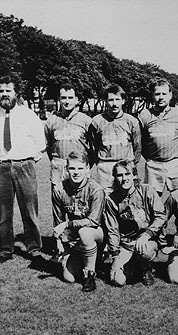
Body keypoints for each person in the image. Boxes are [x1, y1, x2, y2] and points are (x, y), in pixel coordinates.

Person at [0, 74, 45, 262]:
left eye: (8, 91)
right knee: (3, 212)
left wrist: (28, 161)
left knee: (29, 209)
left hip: (24, 166)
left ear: (16, 93)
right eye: (1, 91)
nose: (4, 94)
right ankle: (5, 249)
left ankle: (33, 247)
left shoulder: (27, 114)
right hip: (1, 168)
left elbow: (40, 142)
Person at [103, 160, 166, 286]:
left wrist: (147, 235)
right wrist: (115, 256)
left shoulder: (147, 191)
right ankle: (132, 264)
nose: (124, 178)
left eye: (127, 174)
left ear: (134, 175)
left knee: (145, 251)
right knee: (118, 281)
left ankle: (145, 267)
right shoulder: (111, 200)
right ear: (115, 178)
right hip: (125, 244)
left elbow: (161, 216)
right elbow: (112, 229)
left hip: (145, 241)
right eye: (120, 175)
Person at [52, 151, 105, 292]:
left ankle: (90, 275)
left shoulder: (96, 190)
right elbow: (58, 221)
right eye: (72, 168)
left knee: (85, 232)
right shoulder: (59, 189)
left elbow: (94, 221)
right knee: (68, 277)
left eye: (80, 168)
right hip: (74, 236)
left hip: (96, 234)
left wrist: (68, 224)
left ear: (87, 169)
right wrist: (62, 245)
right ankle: (82, 258)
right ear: (66, 169)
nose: (76, 172)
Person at [138, 78, 178, 197]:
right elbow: (140, 143)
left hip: (175, 163)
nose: (161, 97)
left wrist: (174, 156)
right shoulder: (145, 115)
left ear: (170, 95)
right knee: (152, 198)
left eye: (164, 94)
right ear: (152, 96)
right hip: (153, 164)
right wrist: (151, 158)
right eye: (157, 94)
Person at [91, 84, 141, 194]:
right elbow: (93, 147)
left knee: (128, 198)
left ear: (123, 101)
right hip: (105, 168)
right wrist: (101, 163)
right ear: (105, 101)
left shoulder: (132, 121)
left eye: (117, 99)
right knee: (105, 199)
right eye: (111, 100)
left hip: (126, 166)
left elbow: (137, 147)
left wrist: (130, 164)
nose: (114, 104)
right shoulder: (97, 121)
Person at [45, 83, 94, 187]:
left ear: (77, 100)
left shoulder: (86, 121)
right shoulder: (51, 120)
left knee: (81, 201)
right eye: (63, 98)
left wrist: (83, 164)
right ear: (59, 99)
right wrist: (57, 161)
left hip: (79, 168)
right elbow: (49, 146)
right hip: (58, 169)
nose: (67, 101)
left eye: (70, 98)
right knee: (59, 201)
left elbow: (93, 149)